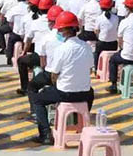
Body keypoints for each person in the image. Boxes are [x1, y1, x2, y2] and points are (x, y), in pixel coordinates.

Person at [30, 11, 94, 145]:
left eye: (60, 29)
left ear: (65, 30)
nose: (58, 32)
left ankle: (45, 134)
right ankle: (79, 123)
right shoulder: (87, 47)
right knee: (91, 92)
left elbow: (54, 74)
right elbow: (89, 69)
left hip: (65, 93)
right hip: (85, 94)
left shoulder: (62, 49)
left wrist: (57, 84)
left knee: (37, 100)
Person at [16, 0, 54, 94]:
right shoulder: (57, 23)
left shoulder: (35, 23)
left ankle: (24, 88)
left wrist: (24, 52)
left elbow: (28, 40)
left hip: (39, 56)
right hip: (55, 57)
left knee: (21, 61)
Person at [4, 0, 30, 66]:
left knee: (10, 41)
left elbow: (9, 21)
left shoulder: (13, 9)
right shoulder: (29, 8)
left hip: (16, 34)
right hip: (27, 35)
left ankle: (9, 58)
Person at [94, 0, 119, 68]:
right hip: (113, 43)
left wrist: (99, 37)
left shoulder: (99, 18)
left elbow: (96, 31)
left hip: (102, 43)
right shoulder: (116, 18)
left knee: (96, 54)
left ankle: (96, 68)